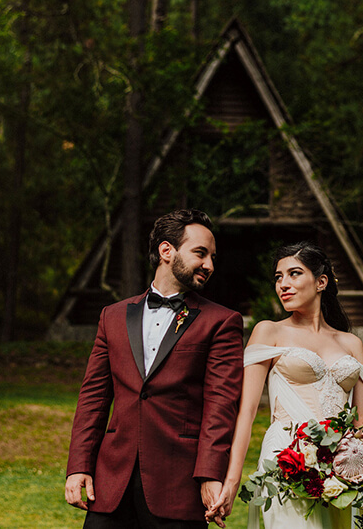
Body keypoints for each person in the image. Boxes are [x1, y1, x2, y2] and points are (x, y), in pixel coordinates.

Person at [65, 209, 244, 529]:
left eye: (212, 257)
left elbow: (221, 406)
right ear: (166, 251)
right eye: (200, 253)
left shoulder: (221, 322)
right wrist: (79, 466)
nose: (210, 265)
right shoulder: (112, 316)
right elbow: (93, 396)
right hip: (110, 485)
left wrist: (209, 474)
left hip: (178, 486)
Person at [206, 242, 363, 529]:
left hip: (339, 469)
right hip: (286, 458)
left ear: (321, 282)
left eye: (294, 274)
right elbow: (245, 413)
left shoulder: (352, 343)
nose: (284, 284)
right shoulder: (269, 331)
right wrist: (231, 481)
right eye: (279, 277)